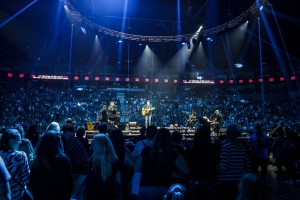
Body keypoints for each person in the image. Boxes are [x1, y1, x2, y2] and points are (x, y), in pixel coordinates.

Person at [29, 133, 73, 200]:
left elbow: (32, 183)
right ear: (58, 144)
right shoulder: (64, 160)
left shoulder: (37, 161)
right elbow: (69, 184)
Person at [80, 134, 122, 200]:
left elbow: (80, 182)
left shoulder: (90, 163)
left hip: (91, 196)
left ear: (95, 146)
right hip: (110, 196)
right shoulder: (115, 162)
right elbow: (118, 182)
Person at [0, 129, 30, 200]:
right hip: (18, 195)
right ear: (11, 141)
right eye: (18, 140)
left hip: (3, 195)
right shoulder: (21, 156)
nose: (20, 142)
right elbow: (26, 178)